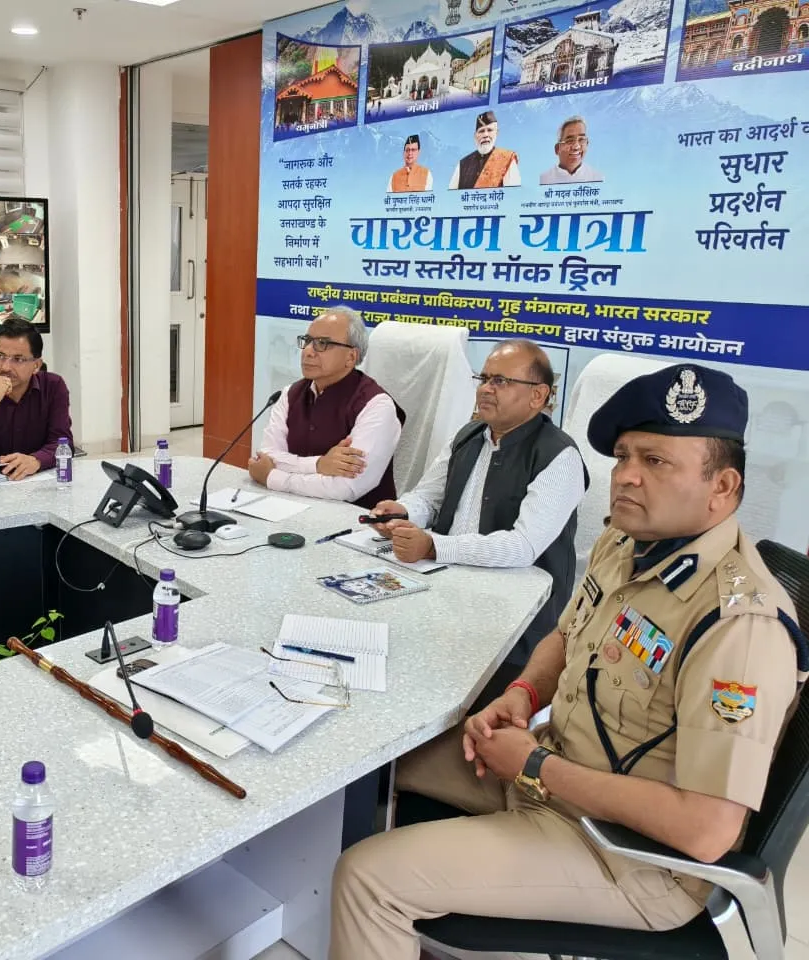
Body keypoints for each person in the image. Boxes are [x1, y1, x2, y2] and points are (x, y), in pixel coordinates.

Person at [331, 363, 808, 960]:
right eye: (624, 456)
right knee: (370, 756)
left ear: (723, 487)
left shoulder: (738, 625)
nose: (625, 476)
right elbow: (568, 634)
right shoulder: (627, 542)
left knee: (368, 880)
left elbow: (706, 830)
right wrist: (524, 695)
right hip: (555, 772)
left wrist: (535, 766)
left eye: (656, 461)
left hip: (626, 857)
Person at [370, 340, 587, 666]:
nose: (486, 389)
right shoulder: (469, 435)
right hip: (444, 593)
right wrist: (402, 513)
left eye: (500, 381)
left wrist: (433, 547)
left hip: (515, 621)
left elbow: (523, 547)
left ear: (538, 395)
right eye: (484, 378)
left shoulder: (558, 455)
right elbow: (428, 498)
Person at [248, 307, 404, 506]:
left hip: (355, 518)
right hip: (286, 507)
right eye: (307, 341)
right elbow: (266, 456)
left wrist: (272, 477)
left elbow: (346, 488)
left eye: (322, 343)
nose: (308, 351)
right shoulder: (290, 394)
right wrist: (319, 464)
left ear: (351, 357)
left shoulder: (376, 405)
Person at [0, 316, 72, 480]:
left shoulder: (53, 386)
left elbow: (63, 443)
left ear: (36, 365)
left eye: (18, 359)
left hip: (34, 480)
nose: (5, 367)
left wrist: (37, 460)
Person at [449, 110, 521, 189]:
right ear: (475, 136)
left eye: (489, 130)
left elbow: (513, 194)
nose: (485, 135)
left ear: (496, 133)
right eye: (481, 131)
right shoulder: (462, 165)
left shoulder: (507, 159)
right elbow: (451, 194)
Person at [540, 116, 604, 185]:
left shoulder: (597, 178)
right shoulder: (544, 180)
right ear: (557, 148)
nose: (576, 147)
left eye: (581, 139)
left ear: (587, 143)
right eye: (570, 141)